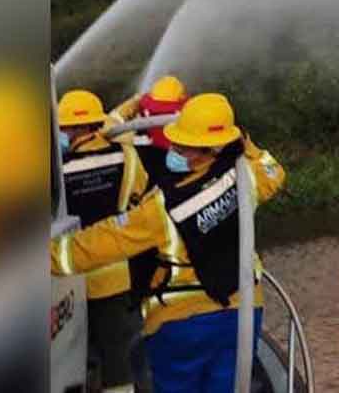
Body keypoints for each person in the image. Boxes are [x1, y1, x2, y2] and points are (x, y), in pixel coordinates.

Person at [51, 93, 286, 393]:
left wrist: (45, 256)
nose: (172, 149)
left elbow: (100, 243)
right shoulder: (247, 179)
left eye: (181, 144)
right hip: (242, 313)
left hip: (181, 324)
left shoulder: (163, 209)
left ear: (204, 151)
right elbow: (273, 170)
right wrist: (241, 139)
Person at [58, 89, 151, 393]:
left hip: (73, 278)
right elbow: (142, 195)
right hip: (117, 275)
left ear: (74, 129)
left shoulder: (60, 170)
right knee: (120, 360)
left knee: (76, 356)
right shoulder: (127, 157)